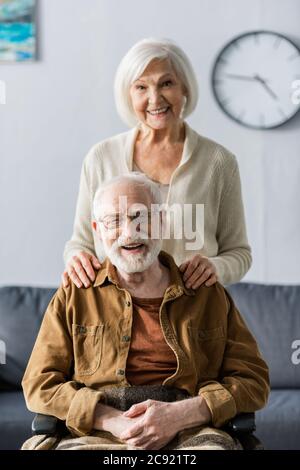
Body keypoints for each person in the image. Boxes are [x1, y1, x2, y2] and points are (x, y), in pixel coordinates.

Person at [22, 174, 269, 451]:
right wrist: (113, 419)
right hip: (97, 432)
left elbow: (254, 380)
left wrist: (181, 415)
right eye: (114, 220)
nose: (130, 232)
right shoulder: (75, 294)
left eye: (141, 217)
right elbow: (39, 384)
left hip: (191, 432)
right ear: (97, 230)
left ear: (162, 222)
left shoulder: (206, 293)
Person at [62, 37, 252, 291]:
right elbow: (81, 243)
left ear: (184, 87)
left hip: (193, 316)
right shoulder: (101, 157)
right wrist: (77, 260)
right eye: (141, 87)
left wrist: (215, 267)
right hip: (117, 315)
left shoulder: (219, 162)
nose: (155, 99)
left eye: (167, 83)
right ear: (128, 94)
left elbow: (239, 254)